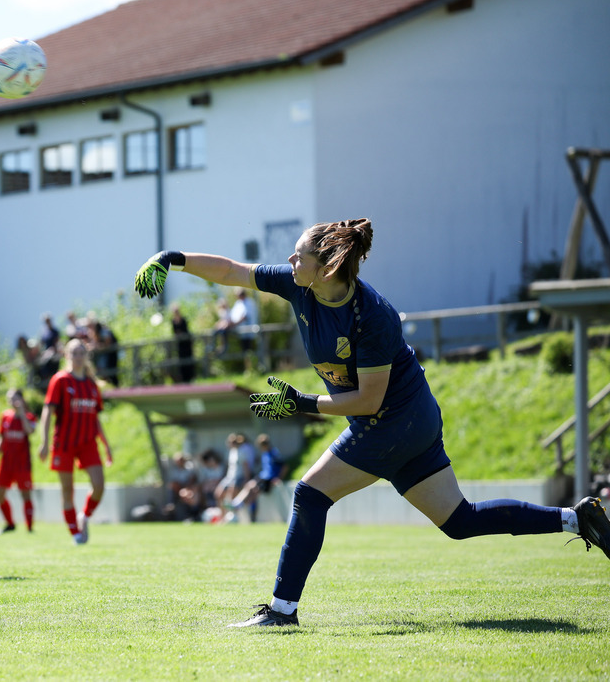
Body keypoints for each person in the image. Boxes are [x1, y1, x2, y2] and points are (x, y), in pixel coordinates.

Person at [133, 218, 610, 628]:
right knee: (459, 521)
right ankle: (576, 517)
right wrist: (172, 259)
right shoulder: (298, 284)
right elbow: (231, 271)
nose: (290, 261)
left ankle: (281, 611)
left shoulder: (373, 316)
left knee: (310, 494)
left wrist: (300, 403)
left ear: (327, 267)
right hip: (409, 419)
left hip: (394, 419)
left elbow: (368, 401)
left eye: (299, 256)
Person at [38, 338, 113, 544]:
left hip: (88, 442)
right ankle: (76, 534)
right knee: (67, 491)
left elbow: (96, 418)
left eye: (82, 353)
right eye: (74, 353)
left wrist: (106, 445)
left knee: (99, 485)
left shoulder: (92, 385)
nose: (78, 357)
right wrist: (44, 442)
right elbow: (47, 411)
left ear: (86, 356)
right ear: (67, 355)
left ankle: (84, 516)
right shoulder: (60, 380)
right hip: (64, 443)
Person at [0, 388, 37, 534]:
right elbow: (1, 437)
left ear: (21, 399)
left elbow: (30, 431)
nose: (12, 401)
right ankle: (10, 524)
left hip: (22, 463)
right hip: (6, 462)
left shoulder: (29, 417)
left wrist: (21, 414)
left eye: (14, 398)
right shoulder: (5, 416)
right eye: (9, 398)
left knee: (25, 494)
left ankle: (29, 527)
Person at [228, 434, 290, 522]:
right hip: (263, 477)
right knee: (252, 490)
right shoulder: (265, 454)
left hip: (268, 479)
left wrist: (279, 478)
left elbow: (284, 466)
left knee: (251, 487)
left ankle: (237, 504)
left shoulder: (273, 453)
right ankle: (241, 508)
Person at [214, 433, 257, 521]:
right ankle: (222, 517)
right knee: (218, 494)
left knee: (232, 496)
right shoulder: (231, 452)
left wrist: (246, 479)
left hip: (239, 477)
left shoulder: (242, 452)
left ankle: (233, 518)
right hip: (229, 477)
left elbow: (246, 466)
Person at [163, 452, 203, 521]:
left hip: (189, 488)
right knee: (174, 487)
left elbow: (192, 480)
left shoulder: (189, 469)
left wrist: (187, 487)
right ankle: (171, 504)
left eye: (180, 461)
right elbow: (174, 483)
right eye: (177, 461)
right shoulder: (175, 471)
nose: (179, 463)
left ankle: (194, 513)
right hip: (180, 489)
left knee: (188, 495)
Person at [170, 304, 195, 383]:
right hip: (180, 344)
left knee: (189, 359)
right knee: (181, 360)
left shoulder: (183, 319)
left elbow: (185, 330)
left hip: (186, 343)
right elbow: (175, 332)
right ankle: (183, 378)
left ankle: (190, 377)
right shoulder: (173, 321)